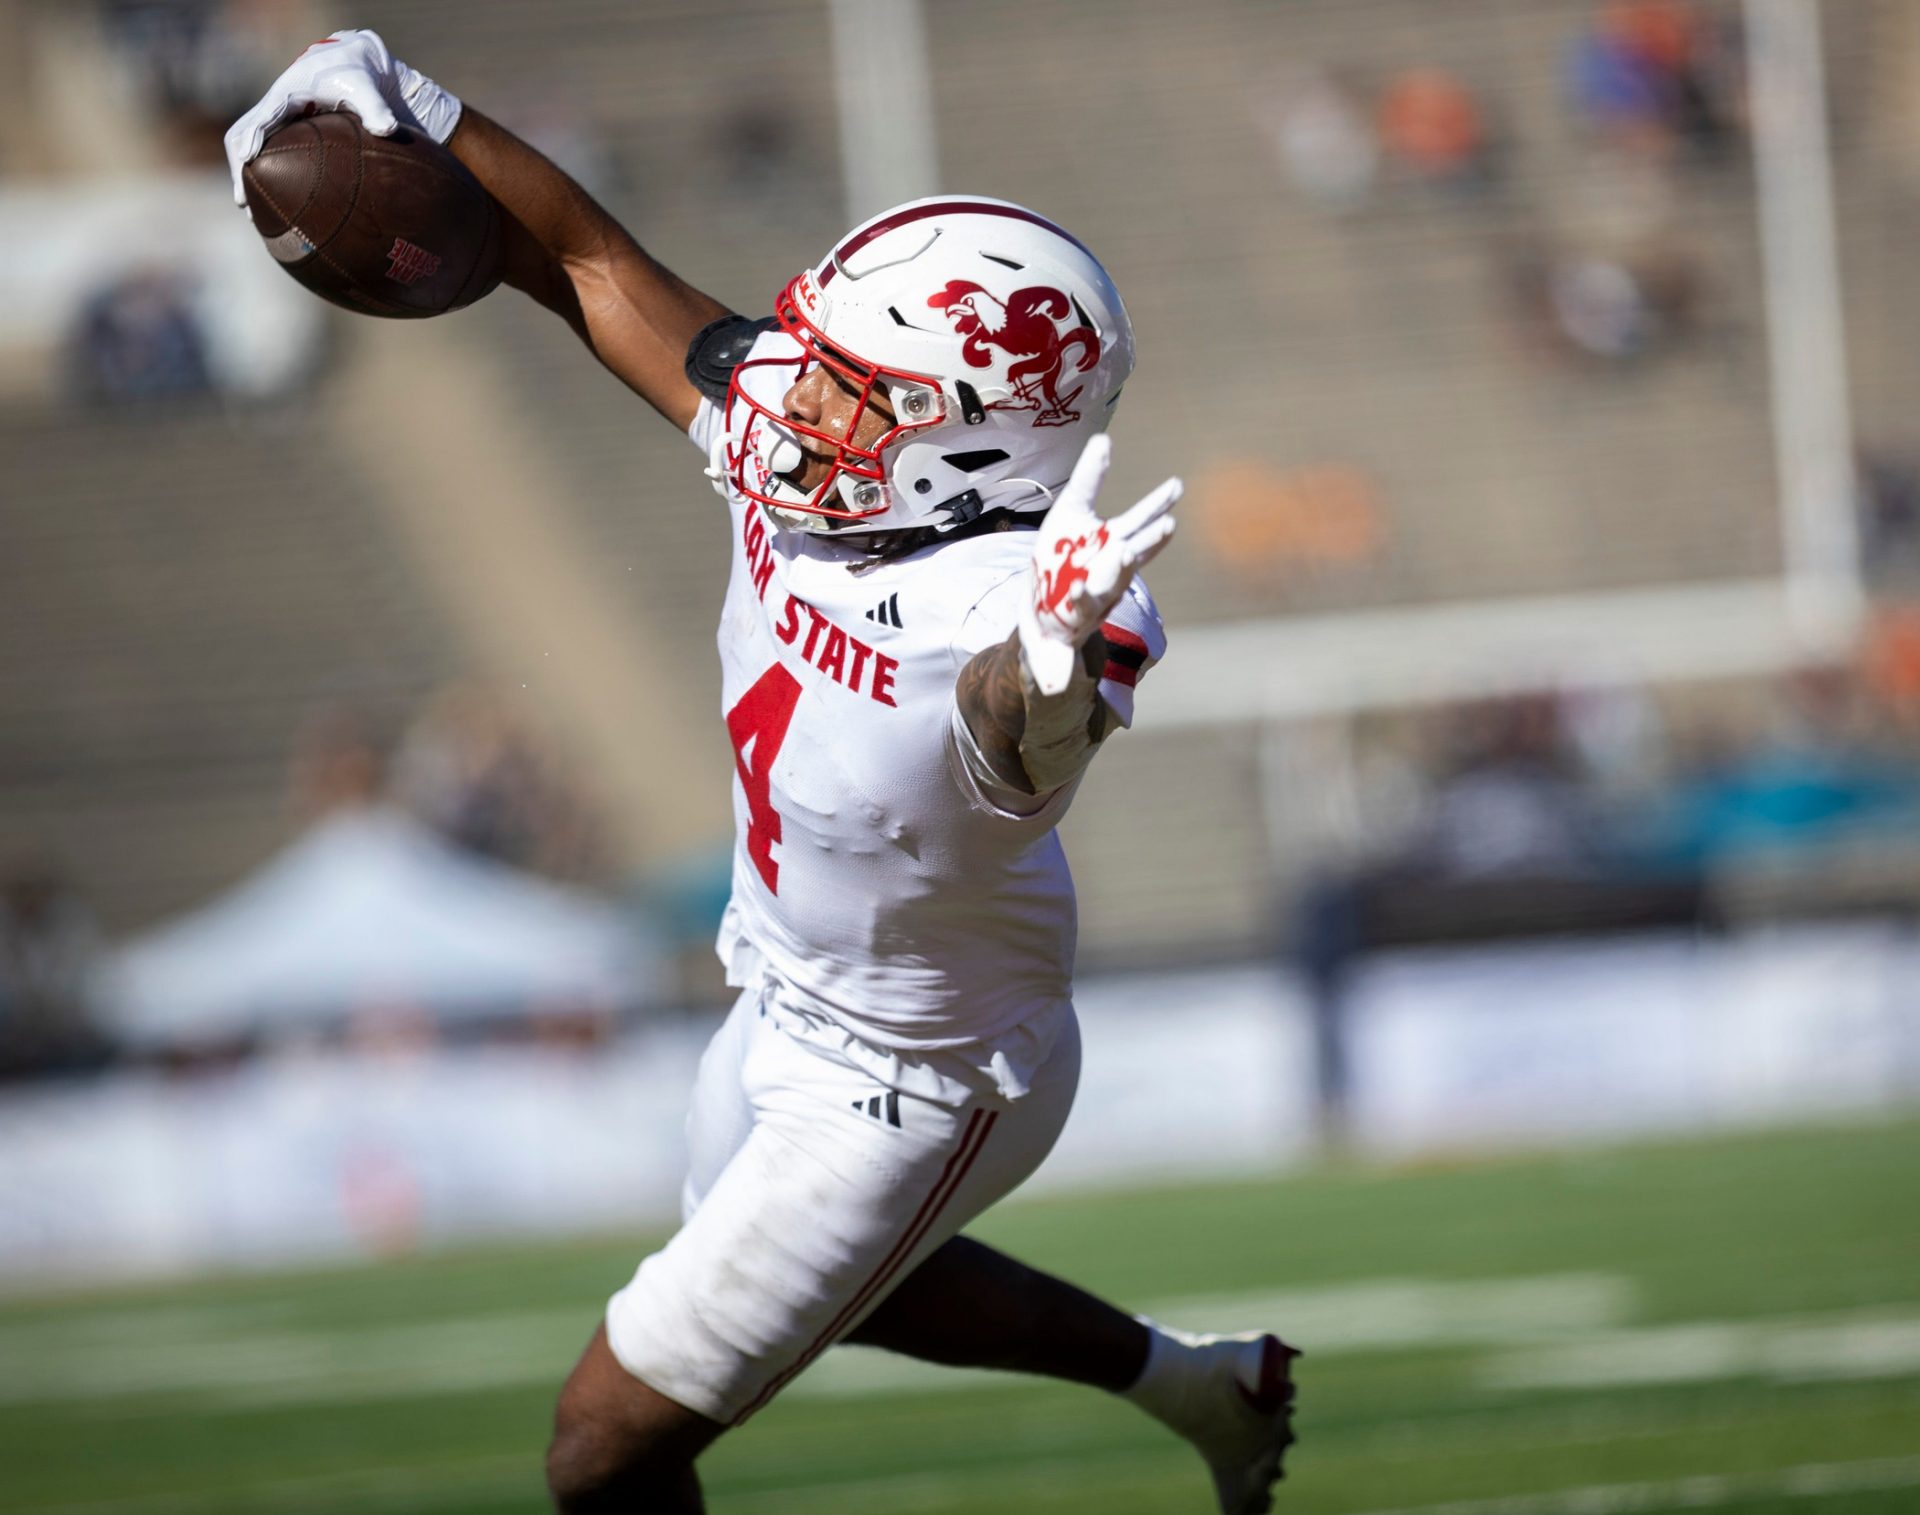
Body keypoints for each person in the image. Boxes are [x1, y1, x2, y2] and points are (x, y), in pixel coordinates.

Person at [226, 31, 1299, 1514]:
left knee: (604, 1444)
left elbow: (1014, 735)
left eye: (853, 390)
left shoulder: (1039, 601)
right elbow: (584, 261)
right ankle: (1202, 1385)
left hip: (918, 1075)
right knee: (854, 1290)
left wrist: (1047, 677)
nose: (787, 401)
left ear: (979, 451)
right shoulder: (815, 451)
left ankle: (1196, 1389)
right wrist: (418, 105)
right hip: (782, 995)